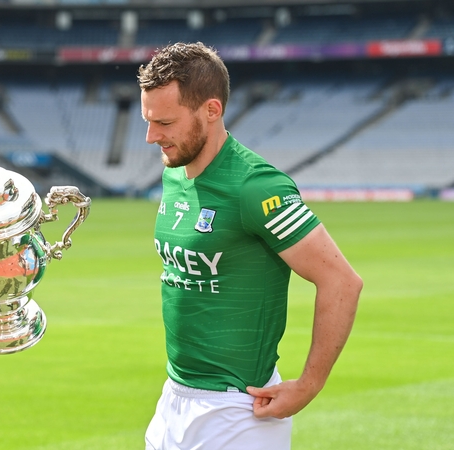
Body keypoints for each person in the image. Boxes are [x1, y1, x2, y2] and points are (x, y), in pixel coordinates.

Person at [138, 42, 363, 449]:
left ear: (211, 110)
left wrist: (309, 385)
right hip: (173, 398)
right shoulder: (175, 172)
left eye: (165, 123)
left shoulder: (256, 186)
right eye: (148, 121)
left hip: (238, 409)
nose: (152, 137)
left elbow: (342, 281)